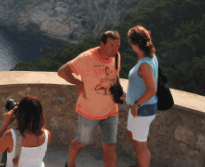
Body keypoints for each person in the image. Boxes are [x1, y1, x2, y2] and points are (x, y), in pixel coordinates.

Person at [57, 31, 121, 167]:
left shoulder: (116, 56)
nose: (115, 49)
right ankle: (70, 163)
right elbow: (62, 72)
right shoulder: (86, 58)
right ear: (102, 44)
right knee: (81, 142)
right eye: (112, 46)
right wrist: (79, 84)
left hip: (111, 110)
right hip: (89, 112)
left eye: (117, 46)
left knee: (110, 146)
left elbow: (115, 76)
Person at [124, 26, 158, 167]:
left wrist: (137, 104)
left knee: (141, 144)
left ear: (135, 45)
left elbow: (152, 90)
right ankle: (140, 164)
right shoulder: (149, 58)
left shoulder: (145, 65)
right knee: (133, 136)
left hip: (143, 109)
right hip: (139, 108)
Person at [0, 95, 50, 167]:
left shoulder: (11, 136)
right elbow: (40, 123)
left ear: (20, 115)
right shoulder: (47, 134)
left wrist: (5, 124)